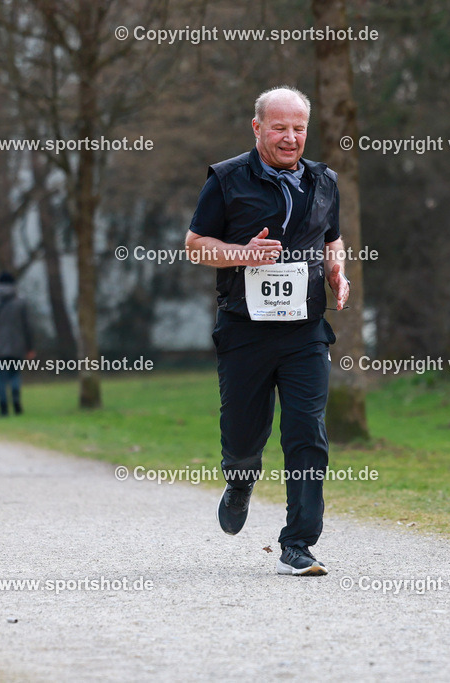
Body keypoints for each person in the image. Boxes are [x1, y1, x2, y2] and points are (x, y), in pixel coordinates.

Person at [184, 86, 350, 576]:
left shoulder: (324, 181)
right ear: (257, 128)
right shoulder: (227, 179)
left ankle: (298, 544)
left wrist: (338, 272)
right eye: (280, 127)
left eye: (299, 128)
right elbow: (196, 246)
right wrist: (242, 253)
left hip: (305, 331)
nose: (290, 138)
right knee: (242, 435)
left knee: (307, 433)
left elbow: (332, 238)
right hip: (245, 331)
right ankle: (240, 481)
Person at [0, 272, 36, 416]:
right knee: (15, 374)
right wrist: (30, 347)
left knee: (1, 378)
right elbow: (28, 326)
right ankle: (16, 398)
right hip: (17, 345)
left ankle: (3, 407)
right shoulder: (21, 302)